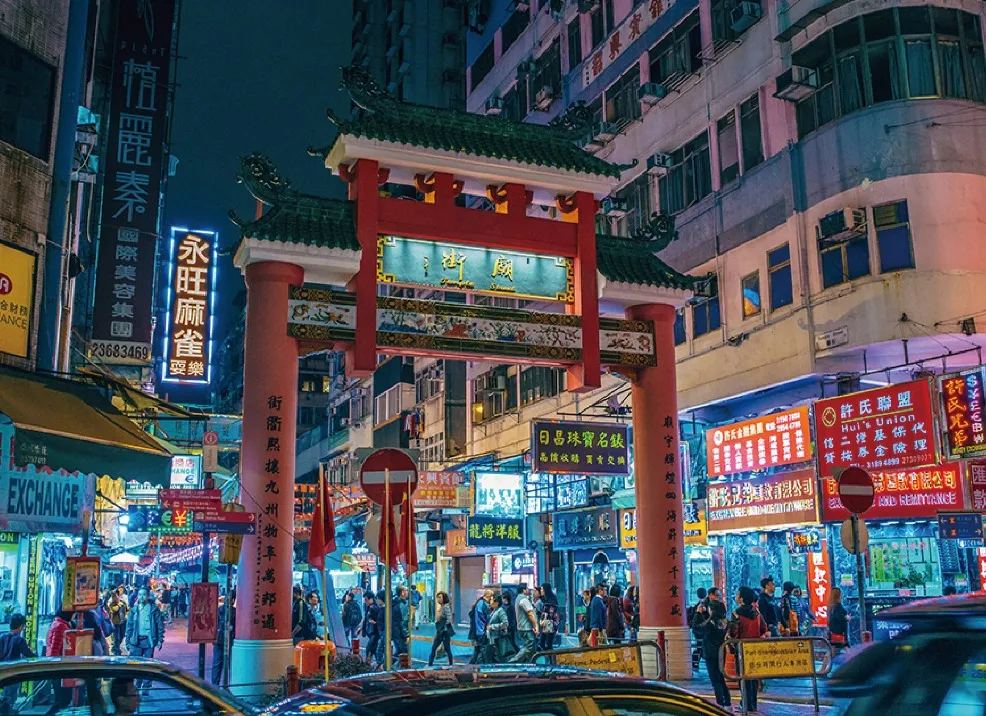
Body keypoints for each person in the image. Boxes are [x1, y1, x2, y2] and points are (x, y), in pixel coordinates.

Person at [730, 586, 767, 713]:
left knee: (743, 678)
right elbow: (763, 629)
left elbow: (734, 633)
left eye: (737, 594)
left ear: (741, 598)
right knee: (753, 678)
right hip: (755, 650)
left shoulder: (736, 614)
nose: (736, 596)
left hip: (741, 650)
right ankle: (753, 704)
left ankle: (745, 704)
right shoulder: (757, 613)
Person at [692, 588, 730, 709]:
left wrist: (699, 614)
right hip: (721, 650)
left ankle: (720, 704)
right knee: (720, 676)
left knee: (715, 679)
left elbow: (697, 628)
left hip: (710, 651)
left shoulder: (711, 622)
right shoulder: (724, 620)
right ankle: (727, 702)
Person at [126, 589, 165, 687]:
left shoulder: (153, 609)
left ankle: (146, 687)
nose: (141, 597)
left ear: (148, 596)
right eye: (140, 594)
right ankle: (137, 685)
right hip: (136, 641)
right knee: (136, 665)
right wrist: (127, 641)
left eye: (144, 595)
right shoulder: (134, 610)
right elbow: (129, 626)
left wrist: (160, 640)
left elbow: (159, 625)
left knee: (148, 665)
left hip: (148, 641)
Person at [510, 584, 540, 662]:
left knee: (532, 649)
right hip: (526, 628)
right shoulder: (524, 600)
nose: (528, 590)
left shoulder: (517, 599)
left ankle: (531, 664)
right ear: (523, 590)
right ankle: (514, 660)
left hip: (522, 627)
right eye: (527, 589)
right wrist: (536, 625)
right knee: (529, 646)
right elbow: (530, 613)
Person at [213, 588, 236, 685]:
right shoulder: (235, 612)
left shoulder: (218, 610)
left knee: (217, 665)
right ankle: (229, 685)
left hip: (218, 640)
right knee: (230, 665)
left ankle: (214, 686)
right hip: (229, 640)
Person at [427, 592, 454, 667]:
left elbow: (449, 619)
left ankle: (451, 664)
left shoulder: (446, 607)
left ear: (444, 598)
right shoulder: (440, 607)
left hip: (445, 632)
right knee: (433, 648)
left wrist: (443, 627)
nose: (438, 599)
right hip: (439, 631)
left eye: (440, 597)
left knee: (447, 649)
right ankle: (430, 664)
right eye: (437, 597)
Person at [487, 593, 514, 663]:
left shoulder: (500, 611)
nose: (490, 601)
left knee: (500, 656)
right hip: (493, 638)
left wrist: (492, 627)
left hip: (498, 638)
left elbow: (505, 624)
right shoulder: (494, 611)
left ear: (497, 602)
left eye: (492, 600)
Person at [468, 590, 493, 664]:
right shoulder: (482, 604)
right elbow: (480, 620)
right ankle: (475, 668)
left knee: (477, 651)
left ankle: (470, 667)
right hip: (479, 632)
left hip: (478, 632)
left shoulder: (481, 603)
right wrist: (481, 633)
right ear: (489, 596)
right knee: (480, 652)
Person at [688, 587, 708, 670]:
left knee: (699, 646)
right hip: (705, 629)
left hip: (697, 630)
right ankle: (696, 661)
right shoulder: (707, 604)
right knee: (702, 646)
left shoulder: (697, 605)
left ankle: (695, 662)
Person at [538, 583, 560, 651]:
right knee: (544, 643)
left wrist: (543, 620)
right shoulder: (545, 599)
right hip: (547, 624)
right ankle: (549, 659)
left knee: (547, 644)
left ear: (545, 590)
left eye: (542, 589)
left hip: (550, 624)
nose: (541, 591)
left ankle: (551, 660)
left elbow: (550, 613)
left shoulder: (551, 601)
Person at [108, 590, 129, 655]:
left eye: (115, 596)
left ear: (118, 596)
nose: (114, 598)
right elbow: (114, 610)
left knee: (122, 636)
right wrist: (119, 605)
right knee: (117, 638)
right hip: (115, 623)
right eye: (113, 597)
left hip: (123, 622)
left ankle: (115, 647)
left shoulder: (123, 602)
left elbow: (127, 609)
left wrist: (127, 615)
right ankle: (117, 650)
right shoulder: (111, 604)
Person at [363, 592, 380, 665]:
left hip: (374, 632)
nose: (365, 602)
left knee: (369, 649)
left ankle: (369, 664)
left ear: (371, 599)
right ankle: (377, 665)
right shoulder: (370, 607)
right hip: (372, 632)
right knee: (374, 649)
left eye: (366, 600)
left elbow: (379, 620)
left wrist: (374, 622)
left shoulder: (373, 608)